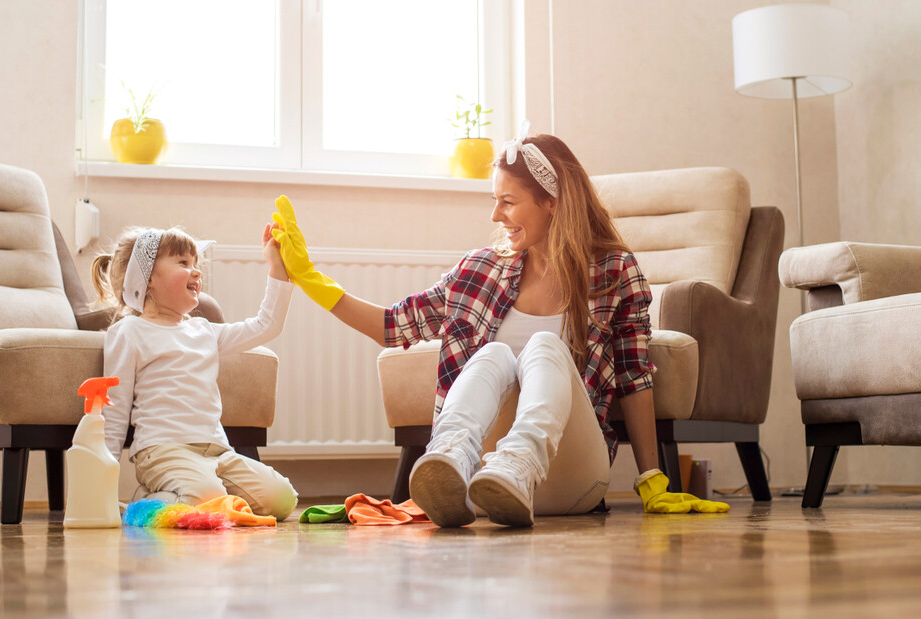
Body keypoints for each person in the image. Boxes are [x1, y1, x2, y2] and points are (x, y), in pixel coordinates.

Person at [271, 122, 729, 527]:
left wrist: (652, 481)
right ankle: (448, 458)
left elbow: (633, 376)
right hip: (480, 486)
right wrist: (308, 278)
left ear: (552, 202)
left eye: (508, 202)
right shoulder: (479, 271)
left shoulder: (613, 271)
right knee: (492, 355)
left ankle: (520, 462)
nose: (495, 216)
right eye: (495, 201)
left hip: (569, 477)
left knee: (545, 349)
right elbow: (392, 327)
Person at [90, 222, 298, 521]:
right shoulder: (130, 331)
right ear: (147, 279)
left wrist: (276, 266)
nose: (197, 272)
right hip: (162, 449)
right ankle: (146, 501)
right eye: (183, 263)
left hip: (217, 451)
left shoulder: (204, 330)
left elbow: (266, 326)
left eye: (196, 264)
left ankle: (206, 496)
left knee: (282, 499)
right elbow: (115, 408)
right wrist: (102, 487)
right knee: (206, 499)